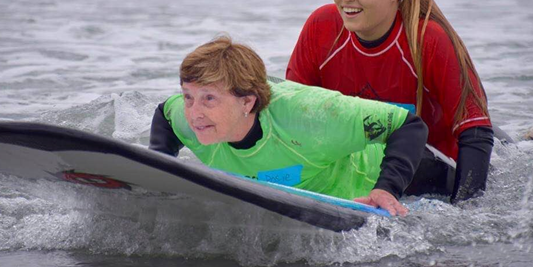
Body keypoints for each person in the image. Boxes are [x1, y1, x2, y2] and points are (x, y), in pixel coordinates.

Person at [286, 0, 493, 203]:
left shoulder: (427, 41)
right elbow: (290, 112)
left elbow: (475, 131)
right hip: (356, 163)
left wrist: (466, 209)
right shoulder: (322, 27)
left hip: (429, 168)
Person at [150, 36, 428, 216]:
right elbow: (165, 113)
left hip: (410, 178)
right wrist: (159, 163)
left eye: (209, 98)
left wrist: (388, 188)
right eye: (189, 97)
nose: (194, 113)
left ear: (247, 102)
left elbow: (408, 126)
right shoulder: (189, 121)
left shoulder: (312, 116)